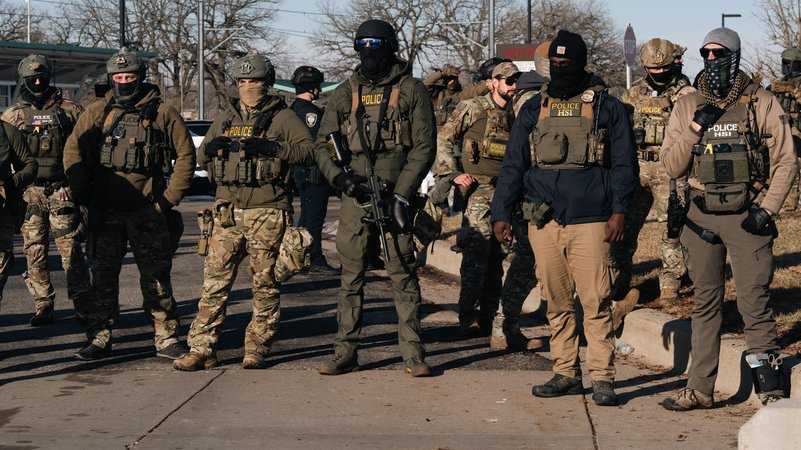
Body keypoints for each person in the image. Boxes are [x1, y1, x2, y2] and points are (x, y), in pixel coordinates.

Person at [491, 30, 639, 406]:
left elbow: (625, 166)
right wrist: (501, 212)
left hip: (592, 219)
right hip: (544, 221)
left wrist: (619, 210)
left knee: (596, 301)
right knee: (556, 303)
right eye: (554, 64)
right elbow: (513, 164)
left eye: (566, 63)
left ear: (581, 64)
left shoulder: (608, 107)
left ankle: (602, 377)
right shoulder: (533, 108)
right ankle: (566, 373)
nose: (560, 69)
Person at [659, 28, 797, 410]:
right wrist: (694, 129)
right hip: (700, 218)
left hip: (747, 217)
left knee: (754, 301)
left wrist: (767, 209)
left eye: (718, 52)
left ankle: (770, 390)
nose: (710, 58)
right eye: (705, 52)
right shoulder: (687, 104)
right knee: (705, 303)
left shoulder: (761, 101)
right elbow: (671, 165)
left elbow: (786, 160)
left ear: (733, 56)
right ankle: (699, 388)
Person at [173, 53, 315, 371]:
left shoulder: (283, 118)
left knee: (264, 283)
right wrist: (209, 150)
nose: (248, 87)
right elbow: (202, 156)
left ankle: (256, 347)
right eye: (243, 81)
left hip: (268, 211)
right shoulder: (226, 118)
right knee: (214, 282)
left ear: (268, 83)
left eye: (255, 81)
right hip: (227, 212)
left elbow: (309, 152)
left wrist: (275, 148)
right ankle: (202, 348)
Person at [312, 19, 436, 377]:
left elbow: (424, 147)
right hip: (356, 196)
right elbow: (323, 142)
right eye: (362, 44)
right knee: (351, 278)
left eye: (375, 44)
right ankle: (345, 353)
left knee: (402, 273)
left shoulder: (411, 89)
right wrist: (341, 179)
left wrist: (402, 193)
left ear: (389, 47)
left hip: (394, 195)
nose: (368, 51)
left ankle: (413, 354)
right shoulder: (345, 92)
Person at [63, 48, 196, 361]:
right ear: (111, 79)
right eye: (119, 77)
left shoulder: (163, 113)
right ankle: (99, 337)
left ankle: (166, 337)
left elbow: (186, 156)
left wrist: (166, 202)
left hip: (147, 212)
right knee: (102, 279)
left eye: (130, 76)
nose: (124, 82)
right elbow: (72, 151)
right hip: (105, 211)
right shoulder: (96, 112)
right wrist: (83, 194)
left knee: (156, 279)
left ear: (140, 77)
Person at [1, 54, 92, 326]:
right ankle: (43, 304)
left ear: (49, 76)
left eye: (41, 77)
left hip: (62, 191)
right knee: (34, 251)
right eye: (32, 79)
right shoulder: (12, 116)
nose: (38, 82)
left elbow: (86, 151)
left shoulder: (71, 111)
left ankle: (83, 305)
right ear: (23, 80)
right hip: (28, 194)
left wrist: (73, 185)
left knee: (71, 251)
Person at [434, 61, 523, 338]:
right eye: (508, 80)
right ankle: (468, 314)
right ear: (493, 82)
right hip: (477, 190)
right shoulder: (472, 108)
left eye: (516, 81)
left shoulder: (515, 113)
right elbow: (443, 139)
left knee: (498, 255)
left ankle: (489, 315)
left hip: (505, 192)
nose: (513, 86)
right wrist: (453, 174)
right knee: (477, 253)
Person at [611, 38, 695, 309]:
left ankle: (670, 281)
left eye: (663, 68)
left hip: (670, 168)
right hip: (636, 168)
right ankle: (618, 278)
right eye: (653, 68)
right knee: (625, 227)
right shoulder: (633, 95)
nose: (658, 72)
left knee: (671, 228)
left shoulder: (688, 95)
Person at [290, 65, 339, 275]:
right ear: (312, 88)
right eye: (317, 86)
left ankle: (301, 259)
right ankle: (315, 259)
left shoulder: (293, 109)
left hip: (301, 172)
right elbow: (320, 142)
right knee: (314, 220)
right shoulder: (311, 113)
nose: (319, 89)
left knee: (305, 218)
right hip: (313, 172)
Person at [0, 121, 38, 303]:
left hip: (3, 211)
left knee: (2, 262)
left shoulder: (7, 131)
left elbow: (29, 164)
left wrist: (12, 183)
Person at [768, 47, 801, 212]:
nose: (787, 67)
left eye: (790, 63)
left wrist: (794, 91)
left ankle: (791, 207)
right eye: (784, 63)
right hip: (781, 135)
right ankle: (784, 207)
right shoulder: (777, 84)